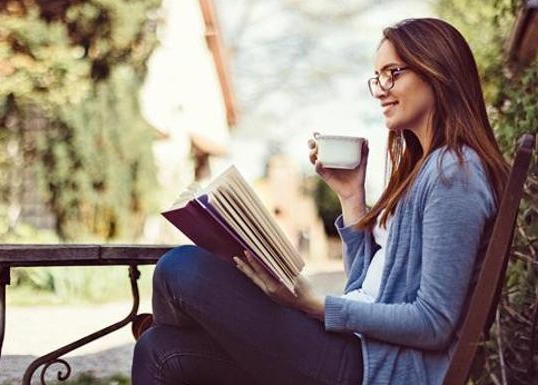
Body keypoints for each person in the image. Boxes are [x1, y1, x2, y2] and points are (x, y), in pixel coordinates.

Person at [131, 17, 510, 385]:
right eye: (377, 77)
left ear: (437, 70)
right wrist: (351, 196)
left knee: (180, 268)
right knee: (159, 349)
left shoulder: (454, 174)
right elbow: (364, 286)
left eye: (392, 72)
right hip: (354, 349)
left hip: (373, 367)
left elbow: (433, 323)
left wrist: (313, 305)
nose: (380, 88)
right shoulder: (424, 170)